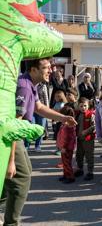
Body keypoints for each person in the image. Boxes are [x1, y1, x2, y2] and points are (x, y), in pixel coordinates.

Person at [3, 58, 76, 226]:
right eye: (46, 67)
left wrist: (63, 118)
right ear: (34, 70)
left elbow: (39, 108)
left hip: (15, 135)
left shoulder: (31, 84)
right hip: (12, 136)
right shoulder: (24, 86)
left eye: (50, 67)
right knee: (21, 178)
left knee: (21, 174)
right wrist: (11, 161)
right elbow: (14, 123)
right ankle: (10, 223)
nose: (50, 70)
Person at [74, 97, 96, 181]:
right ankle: (80, 169)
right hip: (79, 139)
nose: (83, 108)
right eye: (81, 106)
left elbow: (94, 126)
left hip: (88, 139)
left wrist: (86, 131)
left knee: (89, 156)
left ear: (88, 106)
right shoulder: (77, 114)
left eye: (85, 106)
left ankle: (90, 172)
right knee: (79, 155)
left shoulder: (91, 114)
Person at [57, 106, 77, 184]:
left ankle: (70, 177)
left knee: (67, 163)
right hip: (63, 147)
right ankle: (65, 175)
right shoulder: (65, 124)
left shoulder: (69, 126)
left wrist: (64, 147)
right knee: (64, 162)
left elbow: (68, 139)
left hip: (67, 148)